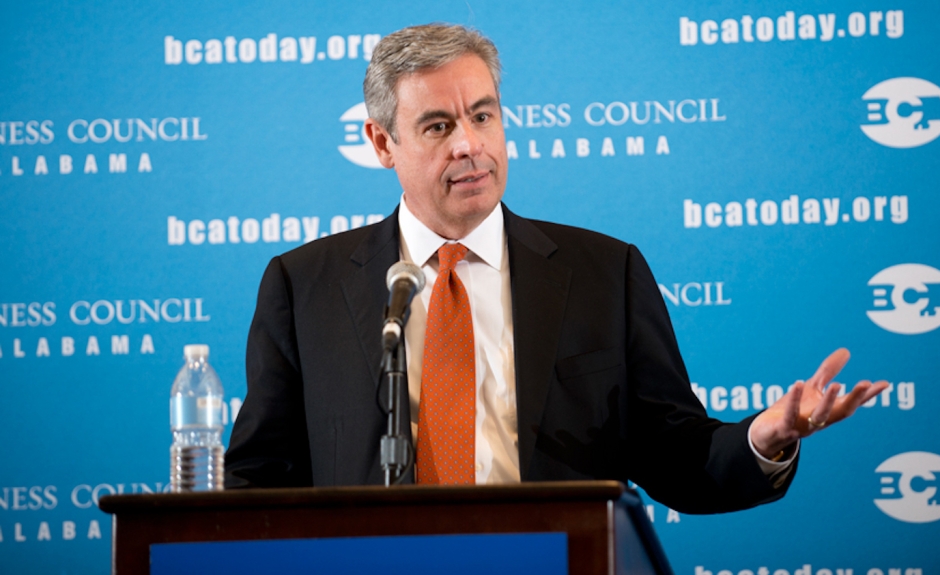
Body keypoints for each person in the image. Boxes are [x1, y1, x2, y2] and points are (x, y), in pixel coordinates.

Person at [224, 23, 887, 513]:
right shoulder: (304, 285)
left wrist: (765, 438)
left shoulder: (604, 272)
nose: (470, 144)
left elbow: (679, 457)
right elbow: (257, 480)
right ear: (381, 142)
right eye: (437, 126)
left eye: (483, 115)